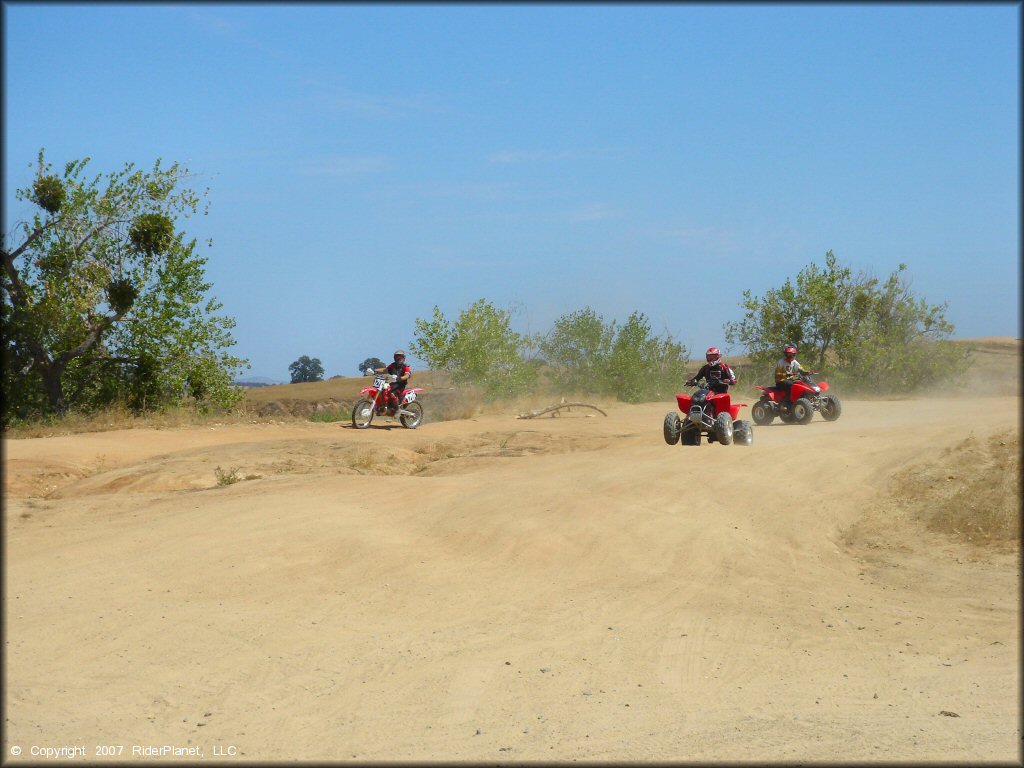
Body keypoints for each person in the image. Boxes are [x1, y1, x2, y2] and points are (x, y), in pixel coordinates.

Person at [370, 350, 411, 414]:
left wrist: (399, 378)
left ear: (403, 358)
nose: (398, 358)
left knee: (391, 393)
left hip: (400, 385)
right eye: (397, 357)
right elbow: (385, 370)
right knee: (383, 390)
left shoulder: (406, 367)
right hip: (392, 384)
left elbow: (407, 376)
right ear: (394, 358)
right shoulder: (392, 365)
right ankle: (382, 406)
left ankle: (397, 409)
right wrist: (374, 371)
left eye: (400, 357)